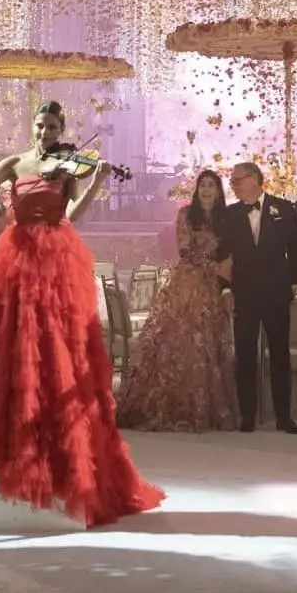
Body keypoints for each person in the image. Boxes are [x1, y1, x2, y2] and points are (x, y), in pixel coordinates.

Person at [0, 102, 162, 527]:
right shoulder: (15, 162)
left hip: (54, 258)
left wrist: (96, 181)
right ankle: (10, 449)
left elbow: (72, 216)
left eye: (52, 126)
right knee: (10, 342)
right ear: (33, 126)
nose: (45, 131)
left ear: (62, 128)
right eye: (40, 125)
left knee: (54, 348)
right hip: (17, 253)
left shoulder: (67, 168)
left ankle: (57, 449)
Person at [116, 170, 239, 432]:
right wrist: (215, 267)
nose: (206, 189)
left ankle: (205, 407)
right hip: (188, 284)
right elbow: (185, 252)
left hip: (212, 289)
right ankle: (175, 406)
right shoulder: (186, 214)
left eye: (211, 185)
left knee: (208, 344)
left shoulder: (225, 219)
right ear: (197, 190)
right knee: (182, 343)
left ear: (218, 191)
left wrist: (225, 276)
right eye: (202, 185)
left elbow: (229, 253)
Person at [217, 161, 297, 435]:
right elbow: (221, 256)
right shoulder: (229, 215)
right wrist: (226, 289)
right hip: (244, 294)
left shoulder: (284, 208)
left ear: (254, 179)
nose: (233, 185)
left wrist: (292, 282)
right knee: (245, 355)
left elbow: (295, 249)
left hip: (276, 293)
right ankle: (248, 417)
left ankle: (283, 417)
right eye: (232, 181)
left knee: (279, 354)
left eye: (237, 180)